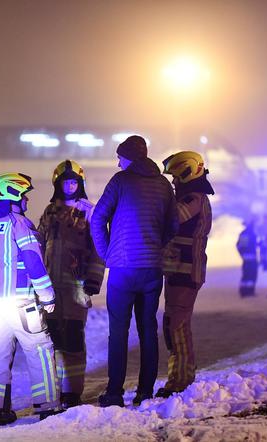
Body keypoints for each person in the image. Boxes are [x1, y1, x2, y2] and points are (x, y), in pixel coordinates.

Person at [90, 135, 178, 407]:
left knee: (118, 332)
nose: (118, 162)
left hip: (123, 270)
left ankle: (115, 393)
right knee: (148, 330)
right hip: (151, 269)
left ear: (129, 157)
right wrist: (155, 246)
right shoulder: (163, 184)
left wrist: (108, 254)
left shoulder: (121, 181)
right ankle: (144, 391)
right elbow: (173, 225)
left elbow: (97, 218)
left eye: (120, 157)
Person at [0, 172, 62, 425]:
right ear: (13, 195)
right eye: (24, 195)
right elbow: (33, 262)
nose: (26, 201)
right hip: (21, 302)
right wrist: (47, 295)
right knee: (40, 351)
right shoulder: (19, 224)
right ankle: (48, 406)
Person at [37, 160, 106, 409]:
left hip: (77, 289)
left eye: (74, 181)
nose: (70, 185)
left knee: (74, 339)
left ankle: (73, 391)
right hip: (50, 289)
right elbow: (38, 247)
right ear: (57, 184)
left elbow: (99, 250)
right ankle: (56, 390)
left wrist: (93, 280)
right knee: (54, 340)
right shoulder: (49, 212)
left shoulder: (89, 211)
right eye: (66, 182)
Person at [156, 150, 213, 399]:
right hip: (178, 270)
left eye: (175, 177)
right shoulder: (192, 196)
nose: (173, 182)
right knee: (174, 326)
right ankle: (182, 376)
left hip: (185, 271)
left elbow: (172, 219)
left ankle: (180, 381)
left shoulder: (193, 198)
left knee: (176, 327)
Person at [236, 219, 258, 297]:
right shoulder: (248, 234)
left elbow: (240, 247)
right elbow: (242, 246)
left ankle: (247, 292)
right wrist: (244, 255)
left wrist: (243, 255)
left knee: (248, 276)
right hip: (250, 259)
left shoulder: (248, 233)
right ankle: (246, 292)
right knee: (249, 276)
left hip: (248, 258)